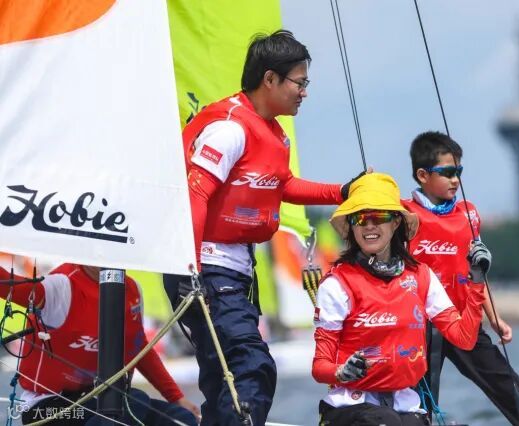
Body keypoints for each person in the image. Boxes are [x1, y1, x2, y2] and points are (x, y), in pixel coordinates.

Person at [164, 29, 361, 425]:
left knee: (224, 380)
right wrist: (190, 271)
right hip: (207, 268)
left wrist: (343, 191)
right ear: (270, 79)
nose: (304, 92)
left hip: (234, 271)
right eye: (299, 83)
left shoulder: (272, 133)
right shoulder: (230, 129)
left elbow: (282, 186)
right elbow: (195, 194)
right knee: (250, 368)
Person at [403, 131, 519, 425]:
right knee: (416, 402)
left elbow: (476, 272)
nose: (455, 180)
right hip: (420, 326)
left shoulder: (469, 214)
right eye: (447, 173)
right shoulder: (403, 214)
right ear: (422, 175)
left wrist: (494, 317)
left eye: (458, 172)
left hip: (464, 318)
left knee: (507, 384)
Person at [311, 173, 486, 426]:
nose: (369, 226)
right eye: (360, 218)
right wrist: (341, 371)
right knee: (388, 421)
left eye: (379, 217)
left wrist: (476, 281)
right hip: (351, 406)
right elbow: (320, 367)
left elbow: (464, 338)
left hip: (405, 403)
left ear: (395, 223)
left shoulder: (421, 276)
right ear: (352, 226)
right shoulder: (337, 283)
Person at [0, 263, 200, 425]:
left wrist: (176, 398)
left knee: (181, 419)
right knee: (127, 407)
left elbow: (139, 350)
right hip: (46, 408)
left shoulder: (132, 289)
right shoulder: (61, 285)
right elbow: (7, 285)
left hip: (101, 399)